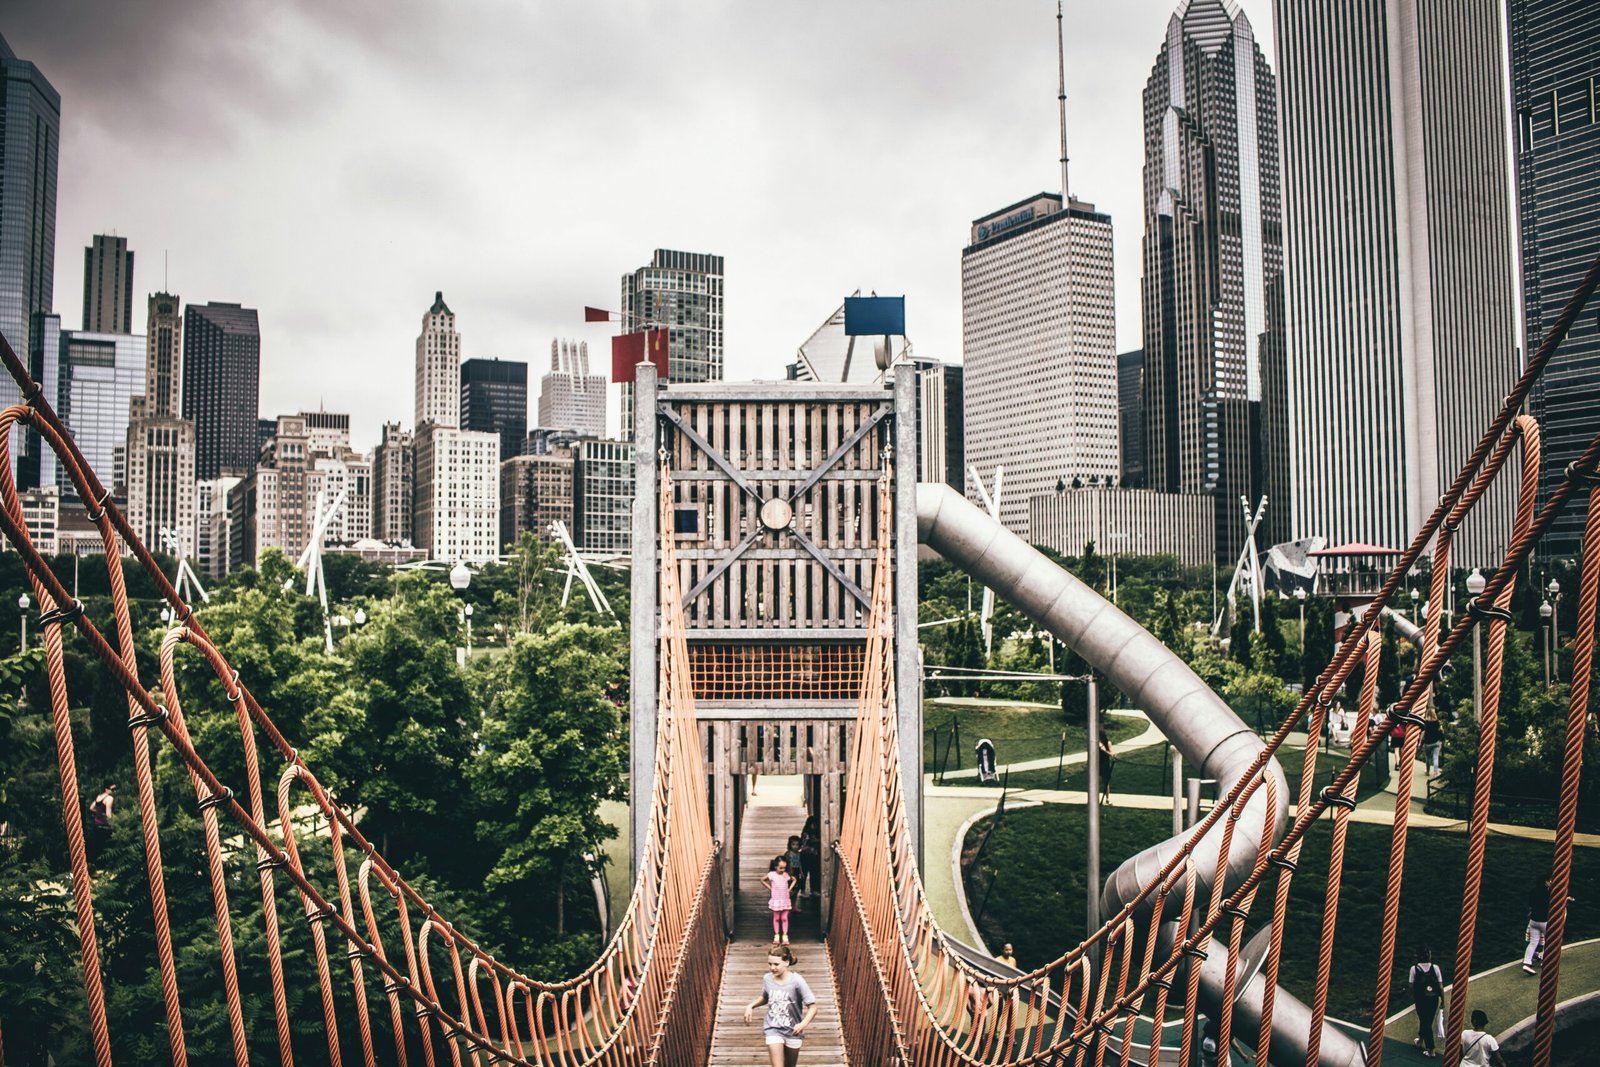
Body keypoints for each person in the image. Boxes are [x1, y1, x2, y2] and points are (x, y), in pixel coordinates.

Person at [744, 945, 818, 1067]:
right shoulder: (767, 979)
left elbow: (813, 1007)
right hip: (773, 1028)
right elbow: (765, 997)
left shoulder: (797, 981)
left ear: (787, 963)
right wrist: (750, 1006)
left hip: (793, 1031)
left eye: (776, 964)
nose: (772, 968)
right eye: (770, 964)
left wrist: (803, 1024)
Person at [1408, 946, 1444, 1057]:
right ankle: (1420, 1040)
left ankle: (1431, 1049)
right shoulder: (1435, 968)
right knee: (1427, 1020)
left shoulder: (1414, 969)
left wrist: (1417, 995)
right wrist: (1443, 1000)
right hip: (1433, 999)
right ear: (1429, 956)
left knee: (1425, 1021)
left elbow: (1411, 986)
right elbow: (1440, 986)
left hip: (1421, 999)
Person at [764, 855, 796, 945]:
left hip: (785, 899)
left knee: (784, 918)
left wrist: (789, 889)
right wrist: (770, 888)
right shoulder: (772, 875)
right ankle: (777, 935)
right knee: (777, 918)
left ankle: (785, 936)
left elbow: (794, 880)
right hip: (776, 900)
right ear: (775, 867)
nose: (782, 870)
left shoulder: (786, 875)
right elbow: (762, 879)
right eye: (780, 868)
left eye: (784, 868)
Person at [89, 782, 116, 861]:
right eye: (113, 789)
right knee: (107, 847)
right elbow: (108, 813)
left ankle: (97, 863)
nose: (114, 791)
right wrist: (112, 824)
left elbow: (91, 808)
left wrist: (99, 813)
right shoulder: (109, 798)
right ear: (106, 789)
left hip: (96, 824)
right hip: (104, 825)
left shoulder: (99, 797)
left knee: (97, 845)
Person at [798, 816, 821, 904]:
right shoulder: (806, 832)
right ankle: (802, 890)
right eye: (812, 824)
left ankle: (814, 890)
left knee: (814, 873)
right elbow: (806, 842)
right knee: (803, 874)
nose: (814, 826)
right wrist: (817, 841)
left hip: (814, 856)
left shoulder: (816, 832)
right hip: (805, 856)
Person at [785, 836, 807, 902]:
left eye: (797, 844)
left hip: (797, 871)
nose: (795, 846)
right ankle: (788, 903)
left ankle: (794, 905)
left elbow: (799, 863)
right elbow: (786, 864)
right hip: (790, 872)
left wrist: (802, 873)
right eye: (793, 844)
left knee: (796, 888)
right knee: (790, 889)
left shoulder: (798, 853)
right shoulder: (788, 854)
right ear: (790, 845)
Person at [1097, 735, 1115, 804]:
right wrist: (1111, 754)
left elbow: (1110, 749)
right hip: (1098, 763)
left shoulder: (1108, 743)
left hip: (1105, 763)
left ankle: (1107, 798)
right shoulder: (1098, 743)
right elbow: (1103, 750)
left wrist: (1112, 753)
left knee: (1106, 781)